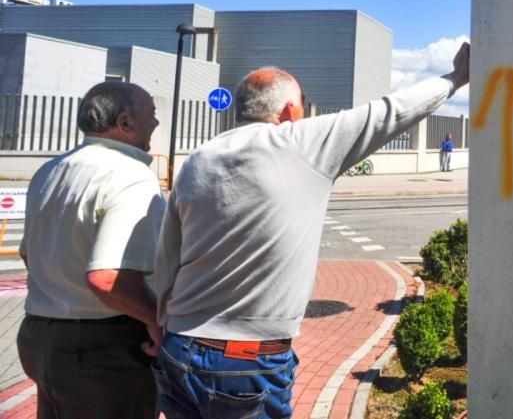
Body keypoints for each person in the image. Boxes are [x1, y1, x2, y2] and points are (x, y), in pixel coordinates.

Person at [153, 42, 470, 419]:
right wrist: (457, 78)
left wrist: (161, 330)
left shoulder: (198, 159)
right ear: (289, 110)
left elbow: (166, 261)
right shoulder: (299, 143)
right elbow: (389, 113)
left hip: (179, 349)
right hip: (245, 363)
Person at [17, 82, 165, 419]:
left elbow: (30, 254)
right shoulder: (130, 175)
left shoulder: (51, 170)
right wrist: (158, 321)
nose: (155, 124)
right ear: (124, 122)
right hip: (103, 348)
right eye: (151, 116)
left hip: (41, 336)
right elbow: (107, 278)